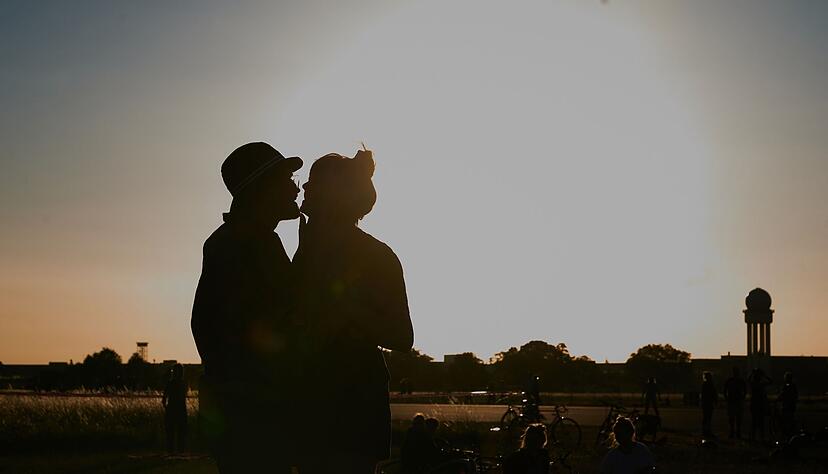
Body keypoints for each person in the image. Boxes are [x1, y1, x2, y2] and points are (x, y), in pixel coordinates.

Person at [295, 148, 414, 473]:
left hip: (353, 405)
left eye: (314, 182)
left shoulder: (376, 255)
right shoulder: (309, 248)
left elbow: (402, 336)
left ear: (334, 196)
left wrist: (345, 310)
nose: (305, 188)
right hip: (314, 404)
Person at [191, 142, 302, 473]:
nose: (295, 188)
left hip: (244, 409)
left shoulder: (237, 239)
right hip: (254, 414)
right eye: (287, 180)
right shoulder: (249, 243)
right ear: (262, 189)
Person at [162, 363, 188, 454]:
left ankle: (171, 450)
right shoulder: (184, 384)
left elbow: (164, 398)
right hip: (181, 409)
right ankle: (180, 450)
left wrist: (167, 408)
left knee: (171, 432)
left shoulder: (170, 383)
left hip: (172, 409)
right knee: (181, 431)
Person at [748, 367, 772, 442]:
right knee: (761, 423)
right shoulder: (761, 384)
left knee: (754, 422)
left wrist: (752, 373)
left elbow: (748, 380)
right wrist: (764, 375)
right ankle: (761, 437)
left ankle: (753, 437)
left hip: (754, 405)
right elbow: (771, 381)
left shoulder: (753, 384)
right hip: (760, 405)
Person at [724, 367, 746, 438]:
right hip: (737, 401)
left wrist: (726, 398)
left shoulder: (730, 380)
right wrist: (743, 397)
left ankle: (732, 432)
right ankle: (737, 432)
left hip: (732, 401)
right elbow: (745, 390)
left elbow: (725, 390)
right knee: (737, 418)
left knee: (732, 418)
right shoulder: (741, 381)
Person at [778, 371, 798, 438]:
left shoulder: (786, 386)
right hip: (790, 406)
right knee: (789, 419)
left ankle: (786, 433)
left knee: (785, 420)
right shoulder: (793, 386)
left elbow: (782, 394)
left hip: (787, 406)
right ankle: (790, 432)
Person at [700, 371, 718, 438]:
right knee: (708, 418)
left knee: (706, 418)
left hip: (706, 403)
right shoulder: (710, 384)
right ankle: (707, 431)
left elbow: (703, 395)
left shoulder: (705, 384)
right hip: (709, 403)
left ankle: (705, 431)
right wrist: (715, 401)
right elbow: (714, 393)